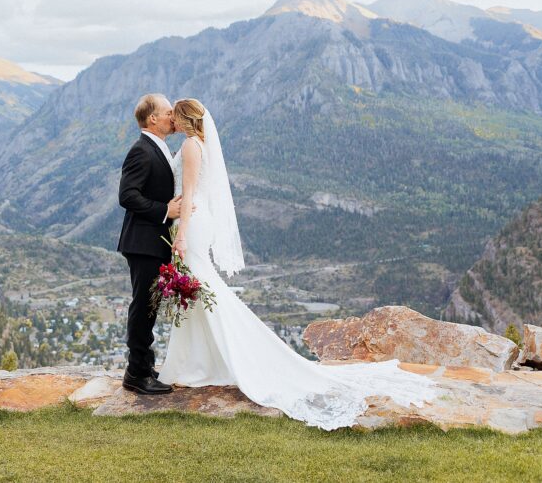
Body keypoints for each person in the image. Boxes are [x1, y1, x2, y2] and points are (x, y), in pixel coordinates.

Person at [157, 98, 440, 430]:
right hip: (195, 221)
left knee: (202, 290)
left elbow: (189, 195)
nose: (170, 118)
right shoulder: (199, 144)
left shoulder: (191, 146)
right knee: (200, 292)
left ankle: (208, 362)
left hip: (193, 222)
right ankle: (198, 362)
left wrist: (182, 235)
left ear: (183, 118)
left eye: (173, 113)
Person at [116, 93, 182, 395]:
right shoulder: (141, 151)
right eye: (168, 112)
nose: (173, 116)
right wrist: (166, 210)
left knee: (150, 307)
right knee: (142, 307)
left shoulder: (159, 148)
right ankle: (135, 374)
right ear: (152, 118)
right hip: (142, 242)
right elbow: (127, 195)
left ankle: (144, 365)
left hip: (153, 241)